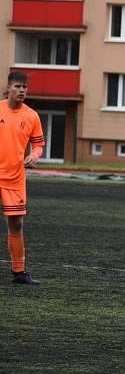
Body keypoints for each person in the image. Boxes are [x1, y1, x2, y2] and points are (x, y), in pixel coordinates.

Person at [1, 72, 45, 285]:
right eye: (18, 86)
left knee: (16, 224)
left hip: (15, 178)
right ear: (8, 87)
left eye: (25, 87)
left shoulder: (32, 116)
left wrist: (34, 155)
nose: (22, 90)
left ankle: (19, 272)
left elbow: (38, 144)